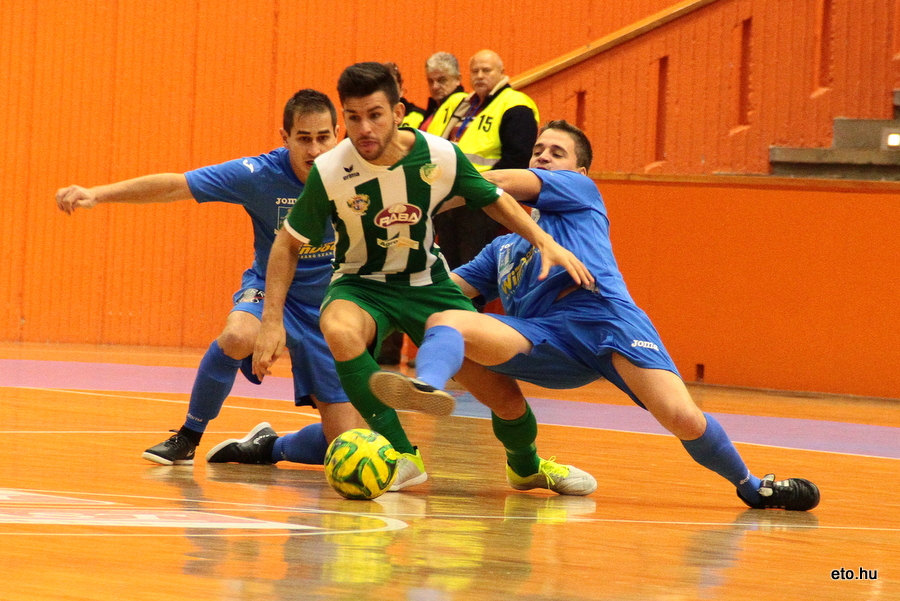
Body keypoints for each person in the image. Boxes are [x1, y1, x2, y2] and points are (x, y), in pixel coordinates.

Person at [369, 120, 821, 511]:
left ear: (579, 171)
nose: (544, 157)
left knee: (681, 417)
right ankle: (426, 387)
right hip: (543, 338)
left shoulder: (580, 191)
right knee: (445, 319)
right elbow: (436, 292)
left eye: (556, 152)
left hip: (607, 323)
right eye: (538, 150)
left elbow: (498, 182)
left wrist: (427, 194)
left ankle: (752, 487)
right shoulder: (502, 247)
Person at [252, 62, 597, 495]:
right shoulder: (330, 170)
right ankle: (404, 456)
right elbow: (287, 244)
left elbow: (494, 198)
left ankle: (527, 467)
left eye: (375, 115)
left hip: (428, 286)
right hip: (360, 286)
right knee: (338, 327)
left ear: (398, 113)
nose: (364, 129)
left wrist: (543, 240)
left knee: (505, 400)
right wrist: (271, 321)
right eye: (353, 117)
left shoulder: (440, 155)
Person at [56, 89, 363, 467]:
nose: (314, 150)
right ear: (285, 138)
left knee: (344, 447)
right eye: (303, 138)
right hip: (270, 291)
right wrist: (97, 194)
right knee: (238, 335)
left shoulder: (358, 174)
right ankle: (188, 436)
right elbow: (176, 185)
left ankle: (267, 447)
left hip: (329, 309)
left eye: (323, 138)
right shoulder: (259, 175)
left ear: (337, 133)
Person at [434, 49, 540, 276]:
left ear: (502, 72)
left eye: (486, 70)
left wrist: (481, 189)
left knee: (471, 268)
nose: (480, 76)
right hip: (450, 196)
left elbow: (518, 158)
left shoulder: (515, 104)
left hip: (482, 200)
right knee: (447, 267)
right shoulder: (465, 105)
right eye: (475, 71)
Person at [420, 52, 467, 135]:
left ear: (458, 79)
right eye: (430, 81)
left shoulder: (465, 105)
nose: (435, 87)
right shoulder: (433, 110)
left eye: (442, 80)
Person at [384, 61, 426, 130]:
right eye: (383, 87)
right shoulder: (371, 116)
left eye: (392, 87)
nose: (388, 91)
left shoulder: (419, 116)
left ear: (401, 90)